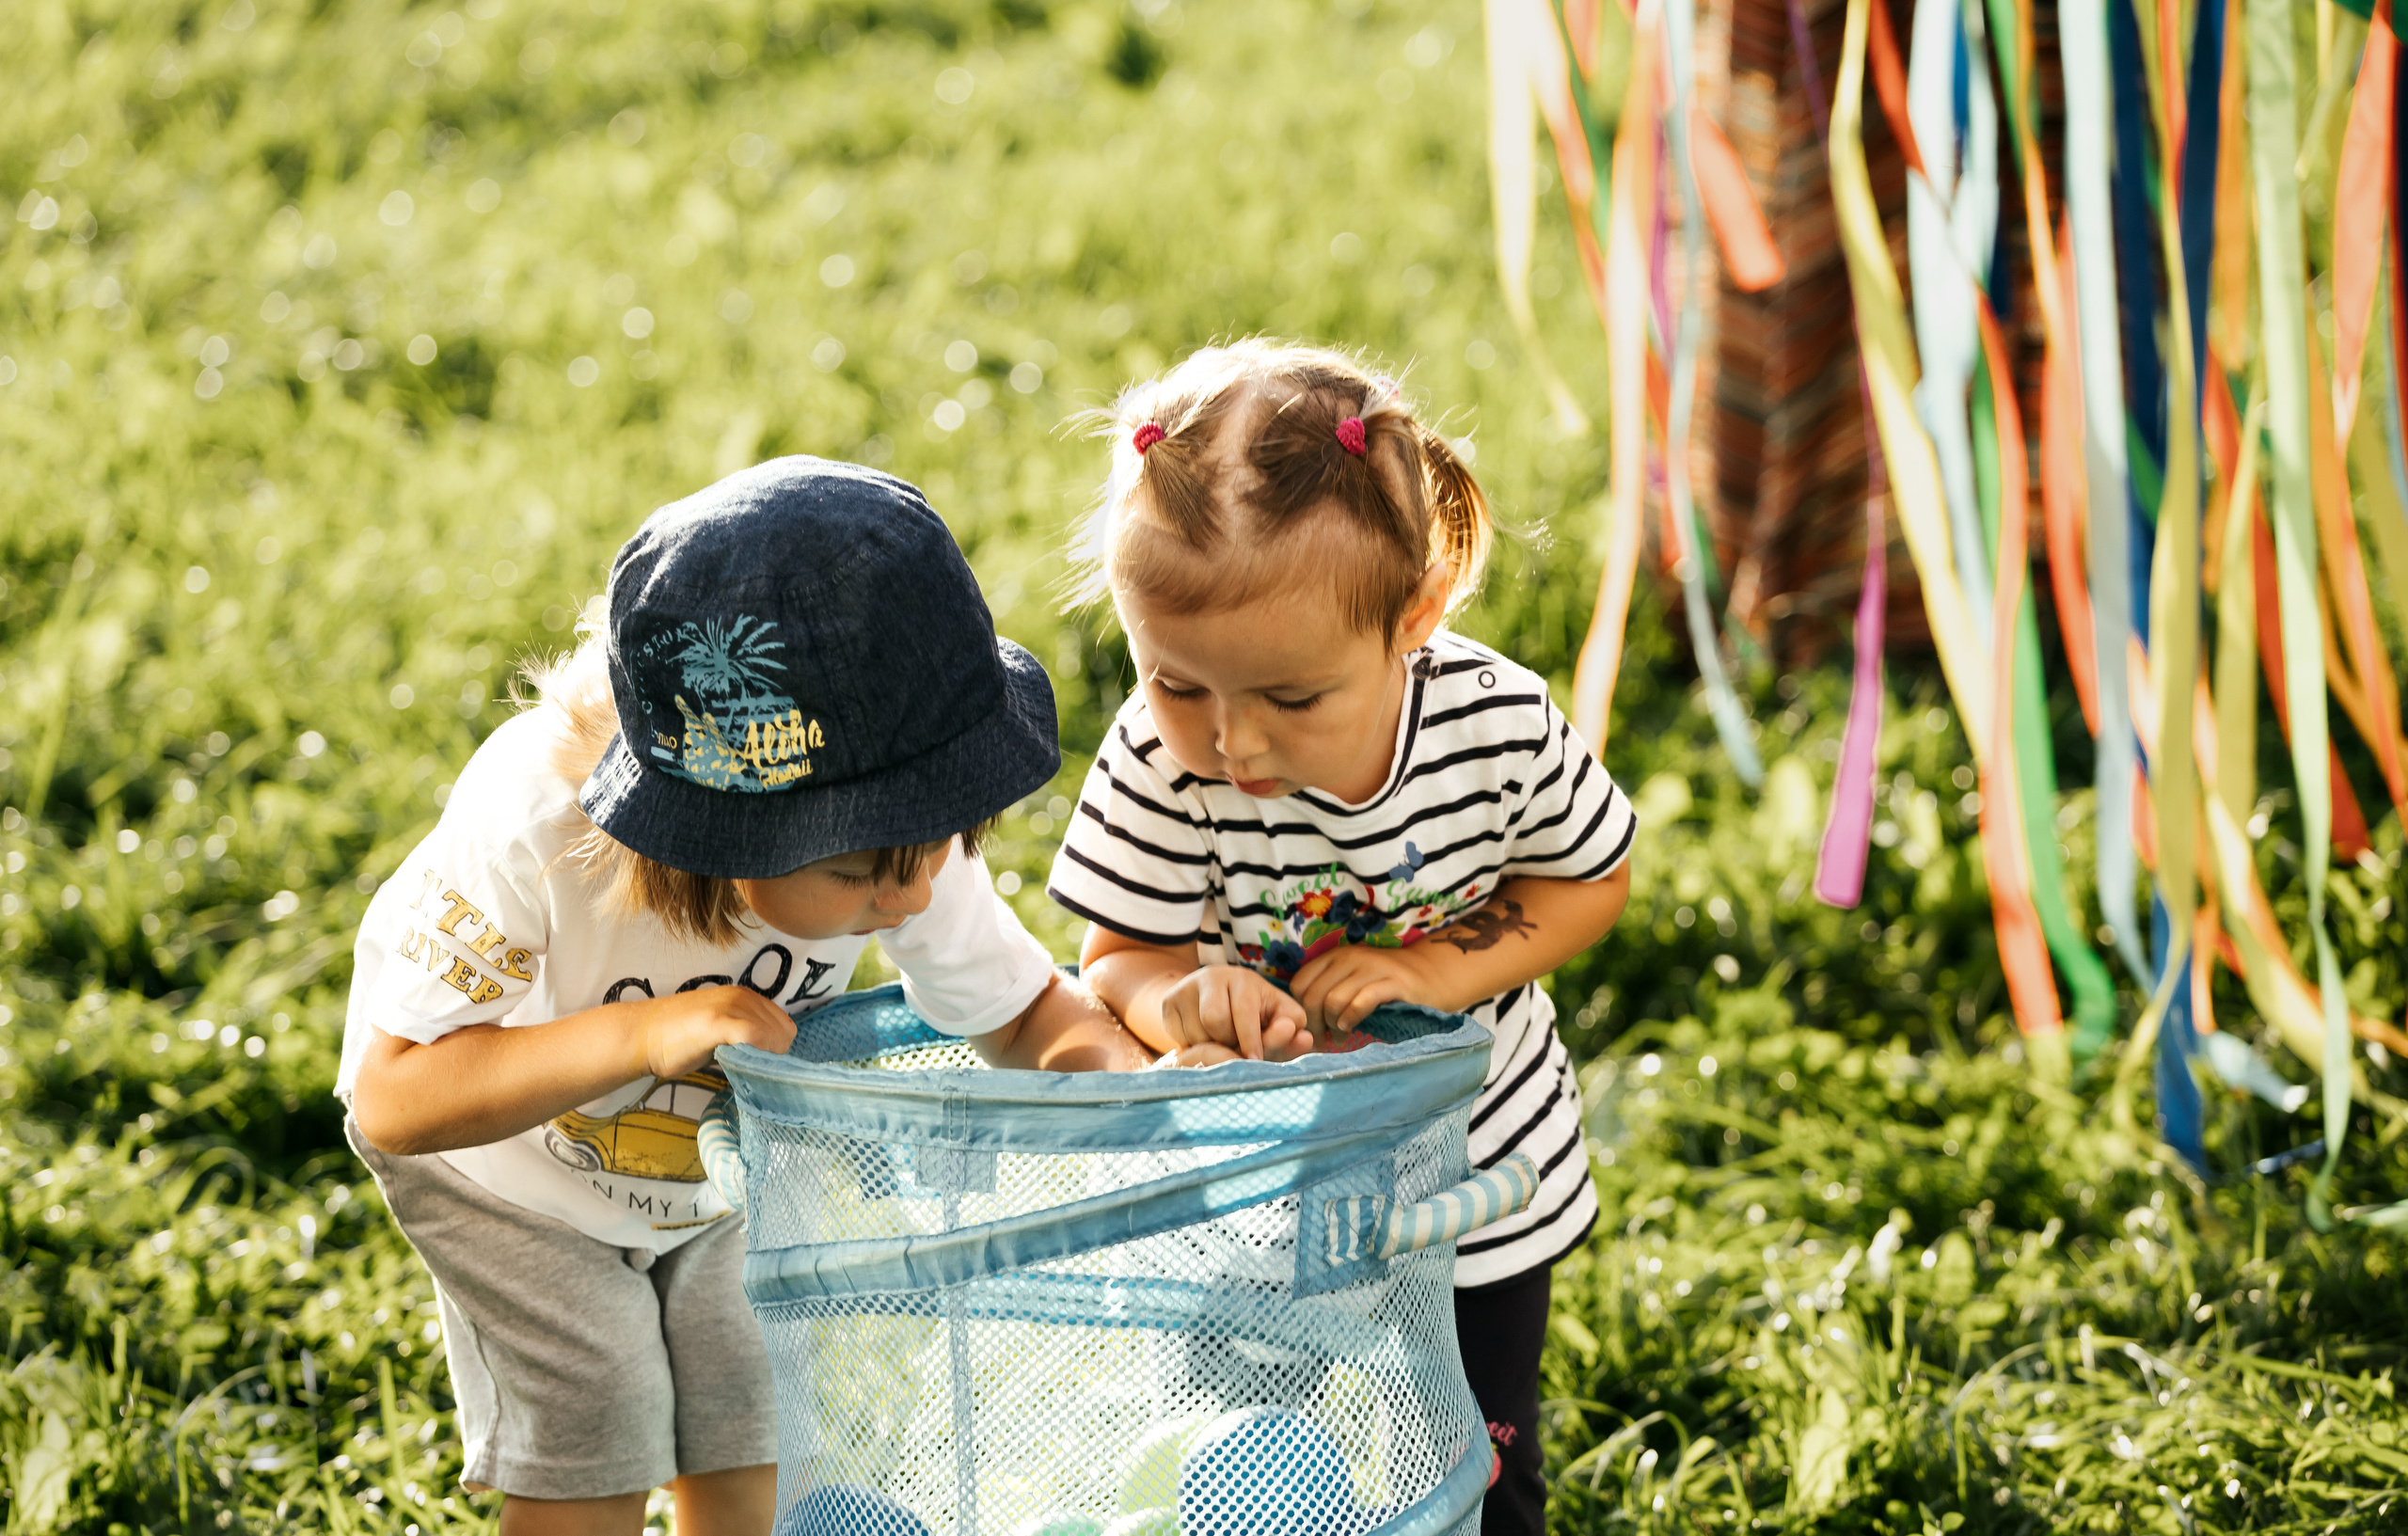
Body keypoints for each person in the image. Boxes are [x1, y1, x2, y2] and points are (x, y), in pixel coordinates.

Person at [341, 457, 1147, 1536]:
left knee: (752, 1408)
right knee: (600, 1409)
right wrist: (646, 1031)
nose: (908, 895)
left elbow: (1026, 1015)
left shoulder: (893, 844)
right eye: (862, 872)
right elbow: (395, 1097)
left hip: (717, 1172)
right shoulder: (535, 822)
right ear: (722, 831)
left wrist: (1115, 1091)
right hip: (511, 1176)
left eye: (935, 843)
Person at [1045, 340, 1635, 1536]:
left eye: (1291, 700)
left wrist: (1433, 969)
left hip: (1474, 1178)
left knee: (1478, 1454)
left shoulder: (1495, 725)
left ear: (1411, 619)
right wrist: (1181, 1005)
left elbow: (1588, 879)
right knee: (1236, 1467)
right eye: (1177, 683)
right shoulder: (1162, 761)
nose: (1233, 744)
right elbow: (1114, 960)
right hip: (1253, 1191)